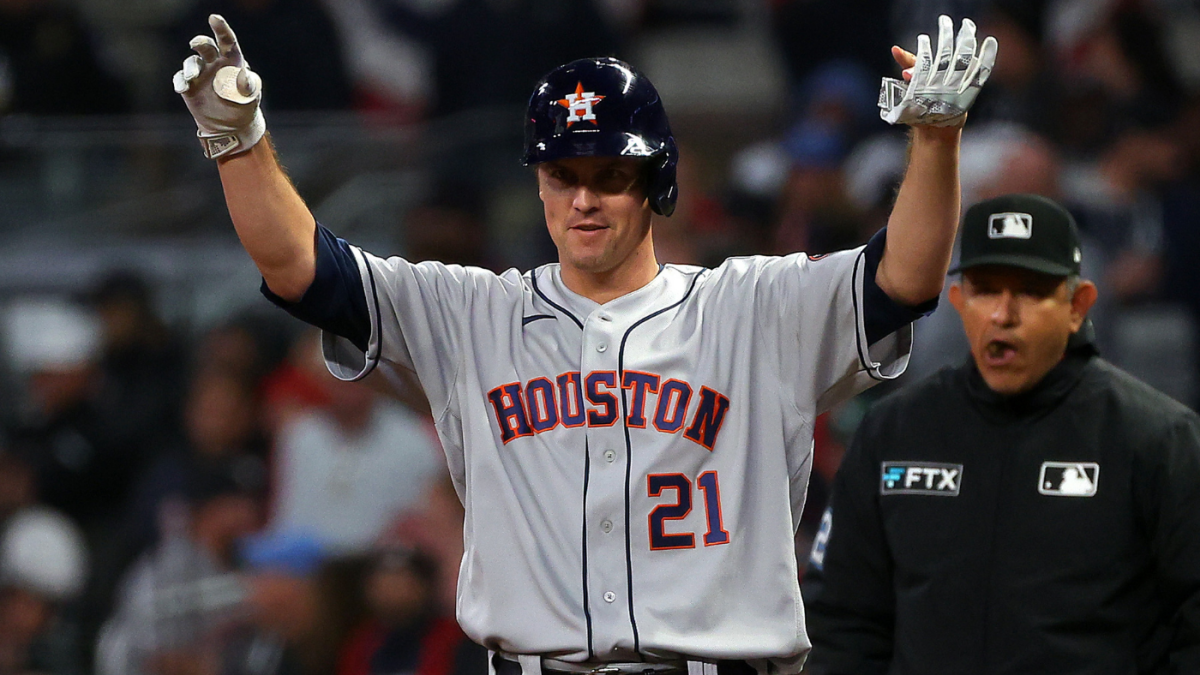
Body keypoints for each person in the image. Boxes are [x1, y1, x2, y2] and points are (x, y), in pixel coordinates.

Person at [172, 14, 997, 673]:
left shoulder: (755, 305)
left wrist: (934, 142)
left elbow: (905, 279)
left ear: (658, 183)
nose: (584, 199)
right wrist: (238, 146)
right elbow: (301, 268)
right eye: (563, 176)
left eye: (610, 175)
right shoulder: (470, 312)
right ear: (536, 182)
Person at [800, 193, 1200, 674]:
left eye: (1030, 291)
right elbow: (839, 620)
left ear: (1078, 305)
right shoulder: (895, 433)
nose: (1002, 315)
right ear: (957, 301)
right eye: (985, 289)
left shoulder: (1158, 439)